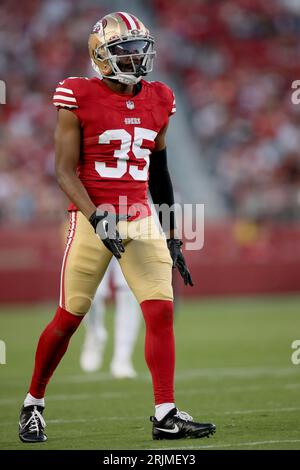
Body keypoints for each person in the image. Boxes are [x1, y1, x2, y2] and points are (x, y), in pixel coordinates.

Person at [19, 11, 216, 442]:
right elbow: (64, 171)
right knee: (70, 316)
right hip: (94, 216)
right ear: (100, 57)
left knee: (161, 312)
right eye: (124, 49)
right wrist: (95, 217)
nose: (136, 56)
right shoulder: (77, 94)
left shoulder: (160, 97)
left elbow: (159, 174)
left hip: (140, 215)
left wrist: (173, 234)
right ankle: (33, 402)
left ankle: (166, 413)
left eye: (140, 47)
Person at [80, 258, 140, 378]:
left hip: (129, 240)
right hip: (97, 240)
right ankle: (95, 334)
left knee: (129, 293)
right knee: (91, 292)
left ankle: (123, 358)